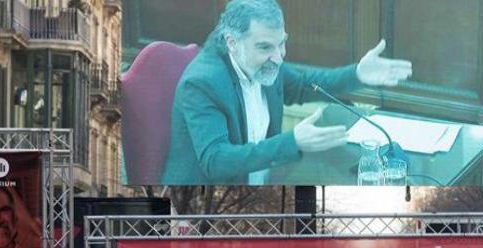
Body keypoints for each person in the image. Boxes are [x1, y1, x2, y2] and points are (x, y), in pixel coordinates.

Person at [161, 0, 412, 185]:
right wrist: (292, 142)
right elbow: (216, 161)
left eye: (282, 43)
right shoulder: (203, 83)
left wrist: (357, 74)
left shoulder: (262, 62)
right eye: (265, 47)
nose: (279, 57)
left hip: (262, 181)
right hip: (207, 202)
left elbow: (304, 84)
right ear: (232, 43)